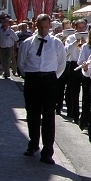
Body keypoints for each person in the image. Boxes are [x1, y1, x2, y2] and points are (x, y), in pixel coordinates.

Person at [17, 14, 66, 165]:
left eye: (46, 27)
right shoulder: (27, 43)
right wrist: (31, 76)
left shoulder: (57, 43)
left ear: (50, 26)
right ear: (35, 25)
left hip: (49, 80)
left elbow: (61, 64)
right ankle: (33, 144)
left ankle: (48, 152)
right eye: (41, 26)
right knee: (32, 113)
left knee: (49, 116)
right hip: (32, 79)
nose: (44, 30)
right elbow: (21, 62)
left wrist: (51, 77)